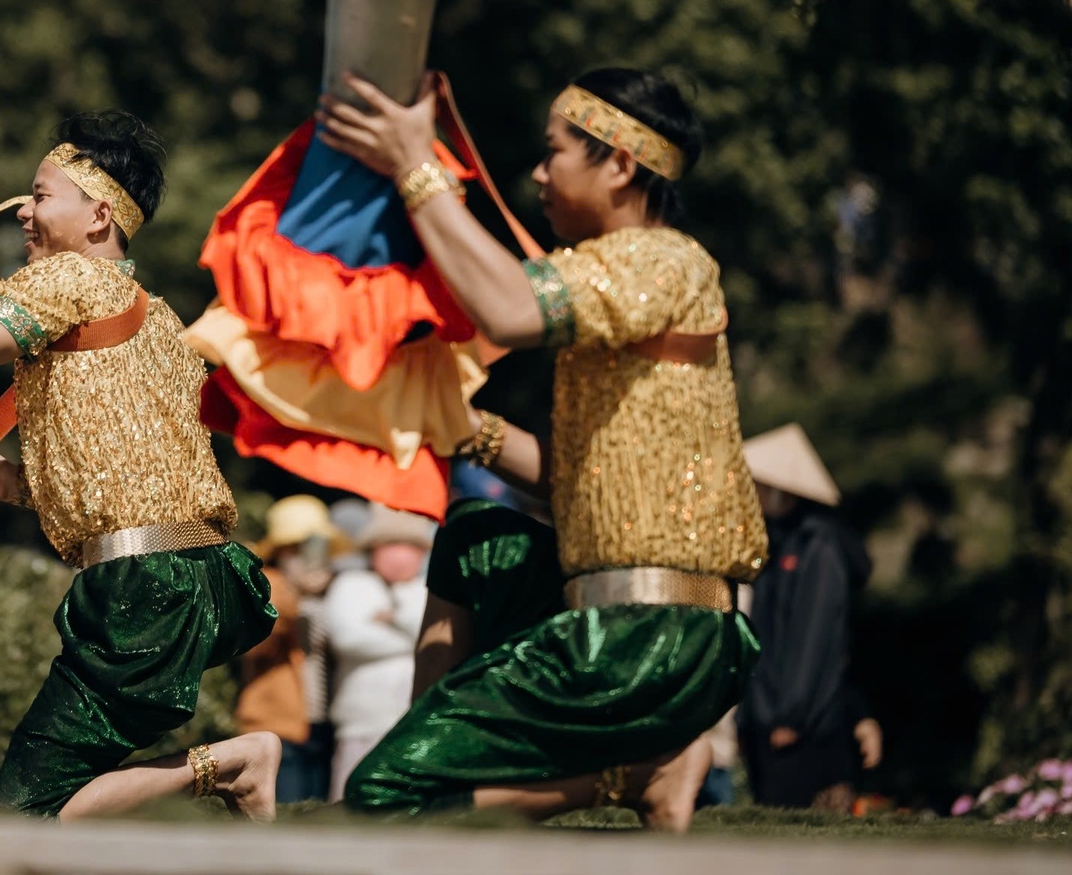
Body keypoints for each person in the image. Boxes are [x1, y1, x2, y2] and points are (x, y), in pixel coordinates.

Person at [315, 68, 767, 830]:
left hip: (653, 633)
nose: (536, 173)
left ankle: (634, 775)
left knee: (385, 796)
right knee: (472, 535)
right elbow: (581, 490)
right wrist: (467, 431)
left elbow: (510, 306)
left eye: (552, 152)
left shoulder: (662, 261)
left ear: (620, 163)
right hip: (621, 608)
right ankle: (434, 740)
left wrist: (415, 167)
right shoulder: (619, 280)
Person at [0, 111, 280, 820]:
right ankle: (227, 769)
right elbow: (134, 464)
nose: (24, 209)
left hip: (143, 582)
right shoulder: (159, 316)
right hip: (193, 573)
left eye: (42, 195)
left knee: (28, 815)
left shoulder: (70, 278)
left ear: (100, 214)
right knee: (51, 814)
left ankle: (232, 763)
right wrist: (17, 486)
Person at [737, 424, 883, 811]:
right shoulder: (776, 543)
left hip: (802, 730)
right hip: (769, 719)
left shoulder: (818, 549)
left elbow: (812, 637)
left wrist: (792, 716)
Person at [239, 495, 346, 804]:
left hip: (319, 721)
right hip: (277, 724)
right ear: (283, 550)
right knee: (288, 808)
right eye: (304, 547)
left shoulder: (328, 592)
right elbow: (260, 641)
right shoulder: (268, 586)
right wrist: (295, 593)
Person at [323, 505, 435, 799]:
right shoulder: (351, 585)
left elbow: (437, 637)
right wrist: (414, 641)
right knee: (352, 798)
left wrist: (394, 617)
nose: (401, 554)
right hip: (362, 719)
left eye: (411, 546)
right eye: (391, 544)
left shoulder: (426, 590)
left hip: (416, 718)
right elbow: (349, 638)